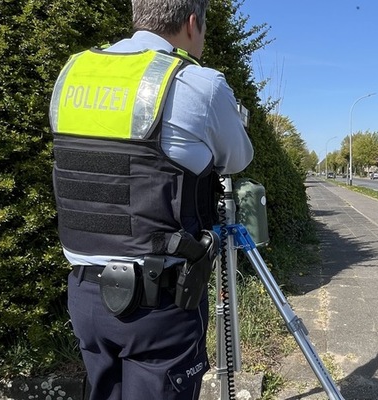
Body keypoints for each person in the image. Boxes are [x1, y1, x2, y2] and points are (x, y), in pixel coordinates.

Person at [48, 0, 253, 398]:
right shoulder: (198, 84)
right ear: (192, 23)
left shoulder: (72, 73)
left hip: (85, 298)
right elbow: (238, 158)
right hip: (159, 304)